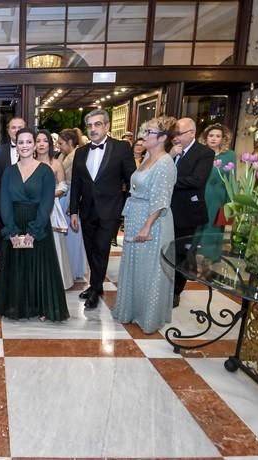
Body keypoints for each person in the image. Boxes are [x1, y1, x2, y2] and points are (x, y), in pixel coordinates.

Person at [0, 128, 69, 322]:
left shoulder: (45, 171)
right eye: (21, 142)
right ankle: (18, 306)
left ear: (35, 145)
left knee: (39, 268)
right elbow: (4, 201)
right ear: (16, 146)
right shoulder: (9, 171)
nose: (25, 146)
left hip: (38, 224)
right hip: (14, 223)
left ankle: (42, 306)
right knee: (17, 267)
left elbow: (46, 203)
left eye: (29, 142)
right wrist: (10, 230)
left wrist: (34, 231)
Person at [114, 116, 177, 333]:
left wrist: (147, 226)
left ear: (162, 138)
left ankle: (148, 317)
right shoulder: (148, 157)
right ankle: (131, 310)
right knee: (134, 266)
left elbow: (161, 200)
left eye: (149, 132)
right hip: (136, 215)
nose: (144, 136)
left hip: (153, 222)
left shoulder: (165, 163)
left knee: (150, 270)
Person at [69, 109, 136, 309]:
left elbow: (131, 179)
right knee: (90, 250)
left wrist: (125, 208)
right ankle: (95, 286)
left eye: (97, 124)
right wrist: (73, 211)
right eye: (89, 126)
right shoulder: (80, 152)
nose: (93, 129)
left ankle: (96, 290)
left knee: (102, 249)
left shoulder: (122, 148)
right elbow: (76, 184)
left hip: (110, 211)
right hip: (87, 210)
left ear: (106, 126)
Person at [169, 117, 214, 307]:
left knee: (181, 252)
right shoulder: (170, 151)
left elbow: (196, 180)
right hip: (167, 209)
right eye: (175, 133)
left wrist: (168, 182)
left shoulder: (204, 153)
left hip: (187, 212)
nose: (176, 137)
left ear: (192, 133)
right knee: (165, 251)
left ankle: (176, 291)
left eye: (179, 133)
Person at [35, 129, 74, 289]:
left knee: (53, 242)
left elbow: (63, 186)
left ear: (50, 144)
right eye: (38, 141)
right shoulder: (28, 161)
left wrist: (48, 195)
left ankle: (55, 282)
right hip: (32, 209)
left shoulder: (56, 163)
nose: (41, 144)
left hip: (51, 208)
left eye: (45, 140)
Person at [194, 123, 236, 261]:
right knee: (197, 224)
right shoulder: (199, 153)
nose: (214, 139)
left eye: (218, 136)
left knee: (214, 225)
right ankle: (193, 252)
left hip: (218, 195)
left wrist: (231, 201)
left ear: (223, 139)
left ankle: (210, 255)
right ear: (205, 138)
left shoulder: (229, 155)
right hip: (200, 193)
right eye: (211, 135)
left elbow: (231, 178)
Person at [0, 117, 26, 270]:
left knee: (24, 236)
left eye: (20, 127)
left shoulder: (34, 151)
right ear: (8, 130)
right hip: (4, 204)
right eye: (13, 127)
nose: (17, 130)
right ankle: (3, 269)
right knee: (3, 237)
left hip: (26, 204)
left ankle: (22, 270)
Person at [57, 128, 88, 280]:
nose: (58, 146)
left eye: (61, 143)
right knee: (65, 235)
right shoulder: (65, 155)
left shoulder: (77, 155)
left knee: (73, 236)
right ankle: (65, 266)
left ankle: (74, 269)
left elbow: (80, 183)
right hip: (64, 196)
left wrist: (73, 204)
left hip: (71, 198)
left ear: (70, 142)